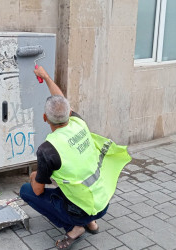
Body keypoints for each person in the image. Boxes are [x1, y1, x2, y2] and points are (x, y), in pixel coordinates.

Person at [20, 66, 131, 249]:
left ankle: (74, 228)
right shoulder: (79, 123)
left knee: (27, 190)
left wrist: (34, 176)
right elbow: (62, 102)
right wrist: (46, 77)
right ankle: (91, 223)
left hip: (81, 210)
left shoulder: (48, 149)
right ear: (69, 113)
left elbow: (38, 190)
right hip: (102, 202)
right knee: (69, 180)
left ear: (44, 118)